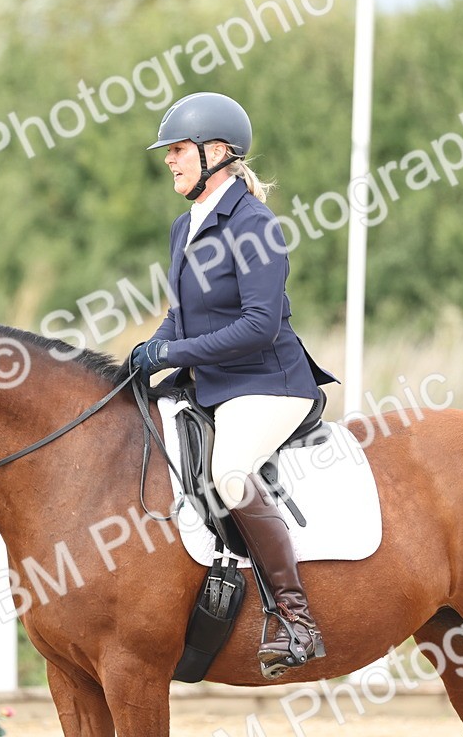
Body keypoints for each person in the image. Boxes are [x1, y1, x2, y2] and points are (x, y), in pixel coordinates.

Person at [130, 91, 338, 676]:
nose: (170, 161)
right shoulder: (184, 225)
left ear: (217, 152)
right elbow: (184, 315)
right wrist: (152, 350)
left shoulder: (255, 225)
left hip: (268, 383)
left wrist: (175, 352)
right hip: (213, 381)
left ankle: (296, 618)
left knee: (230, 472)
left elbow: (258, 325)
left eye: (178, 151)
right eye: (169, 152)